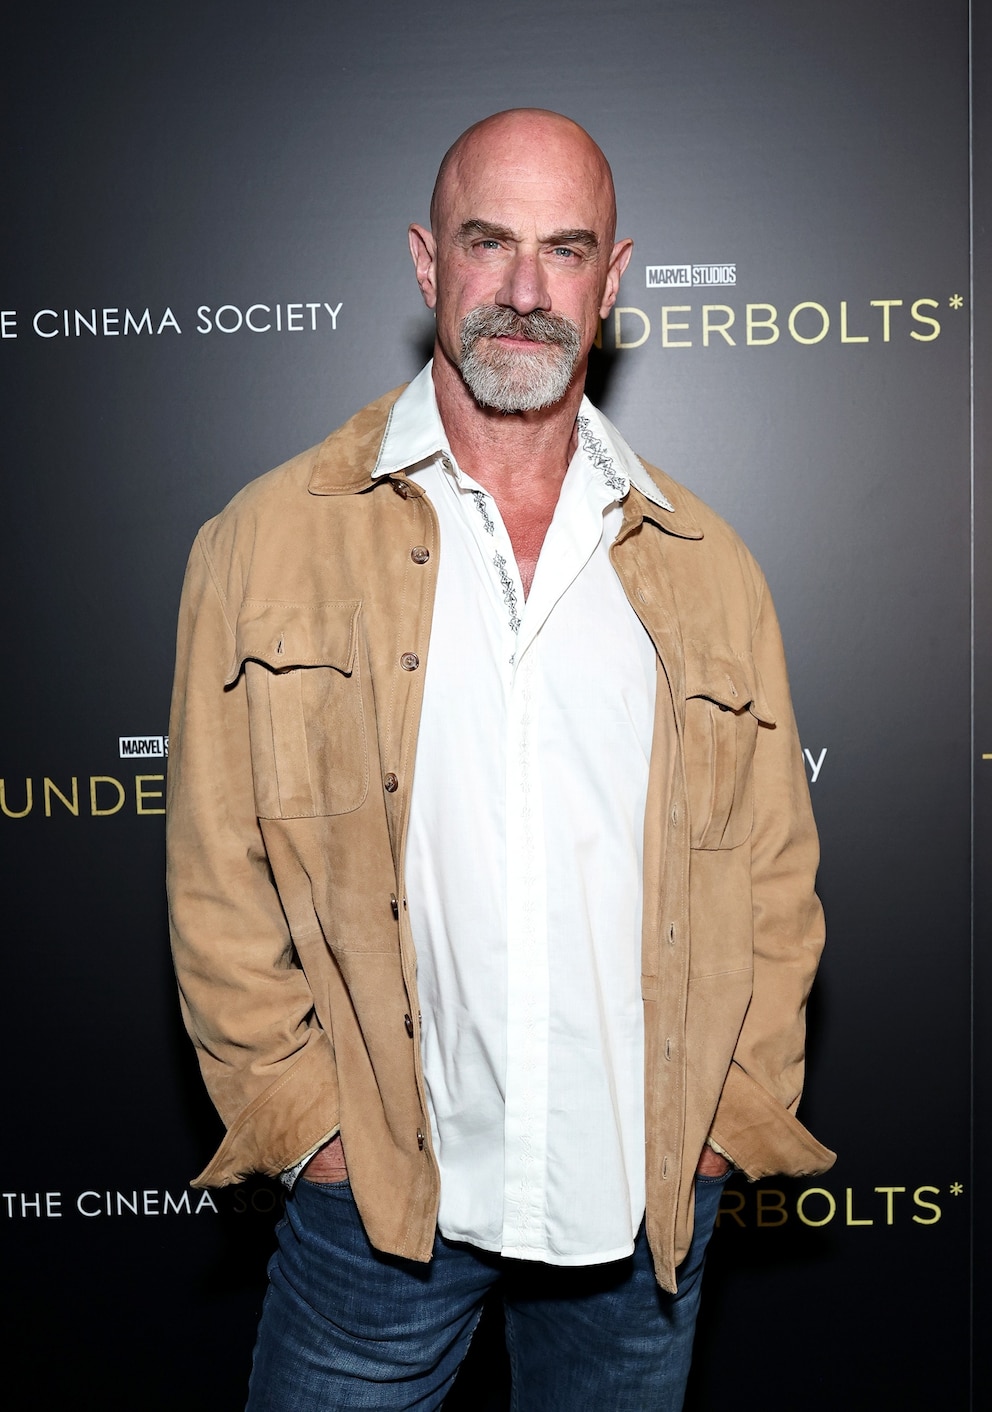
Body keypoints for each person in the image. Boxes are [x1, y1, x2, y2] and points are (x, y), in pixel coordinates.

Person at [167, 108, 835, 1410]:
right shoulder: (264, 541)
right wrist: (309, 1130)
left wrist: (723, 1125)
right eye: (490, 243)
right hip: (377, 1214)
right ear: (428, 263)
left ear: (612, 278)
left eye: (565, 250)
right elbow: (215, 874)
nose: (526, 291)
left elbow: (773, 876)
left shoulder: (710, 567)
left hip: (639, 1213)